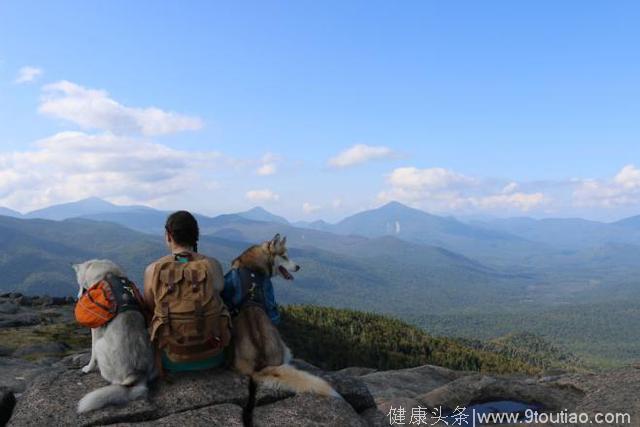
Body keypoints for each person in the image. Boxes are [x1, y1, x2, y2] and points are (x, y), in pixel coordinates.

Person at [143, 211, 230, 373]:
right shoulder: (213, 265)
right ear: (196, 236)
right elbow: (220, 293)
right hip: (213, 355)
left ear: (169, 235)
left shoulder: (152, 270)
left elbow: (150, 306)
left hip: (170, 359)